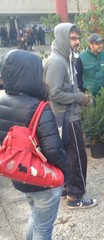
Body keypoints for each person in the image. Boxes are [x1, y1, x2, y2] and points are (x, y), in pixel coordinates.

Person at [0, 49, 70, 239]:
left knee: (35, 215)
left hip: (19, 175)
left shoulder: (2, 102)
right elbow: (54, 151)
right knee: (43, 229)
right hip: (43, 181)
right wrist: (67, 171)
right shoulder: (40, 108)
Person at [43, 23, 97, 209]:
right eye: (72, 38)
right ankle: (77, 196)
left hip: (69, 115)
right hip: (66, 117)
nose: (77, 42)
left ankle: (68, 188)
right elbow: (55, 93)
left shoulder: (67, 59)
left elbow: (67, 86)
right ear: (62, 39)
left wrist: (79, 96)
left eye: (77, 38)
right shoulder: (56, 62)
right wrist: (79, 98)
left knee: (69, 156)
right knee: (78, 158)